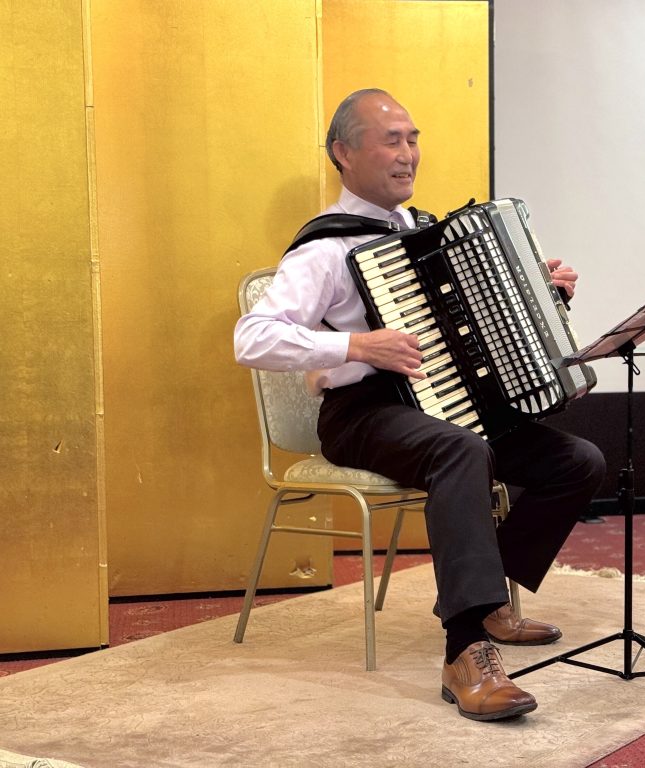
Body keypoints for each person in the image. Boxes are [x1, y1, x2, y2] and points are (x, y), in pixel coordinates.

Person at [234, 88, 605, 722]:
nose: (408, 154)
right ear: (343, 153)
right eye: (391, 141)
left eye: (413, 139)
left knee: (578, 461)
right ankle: (466, 650)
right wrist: (355, 344)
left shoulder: (431, 233)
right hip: (361, 413)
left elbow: (481, 325)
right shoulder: (324, 248)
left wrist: (539, 292)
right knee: (462, 451)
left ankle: (486, 601)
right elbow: (252, 339)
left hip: (445, 401)